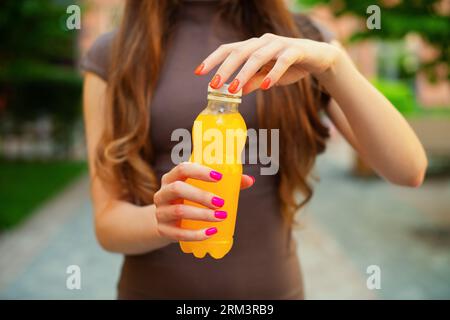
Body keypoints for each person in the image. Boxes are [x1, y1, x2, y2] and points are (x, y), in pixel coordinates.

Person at [81, 0, 427, 299]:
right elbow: (108, 224)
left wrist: (334, 66)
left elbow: (408, 169)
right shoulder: (114, 52)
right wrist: (162, 219)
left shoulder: (300, 40)